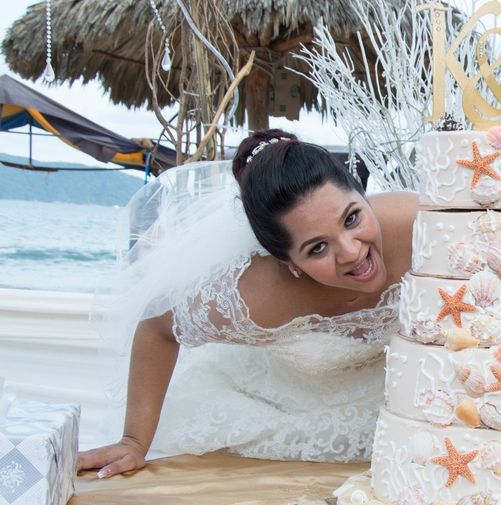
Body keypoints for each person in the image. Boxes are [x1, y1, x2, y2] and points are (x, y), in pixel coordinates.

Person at [78, 130, 418, 478]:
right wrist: (133, 441)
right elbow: (156, 326)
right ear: (288, 262)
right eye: (317, 248)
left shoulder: (420, 225)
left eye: (352, 218)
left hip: (401, 404)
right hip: (285, 408)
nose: (351, 251)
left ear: (363, 195)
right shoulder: (258, 295)